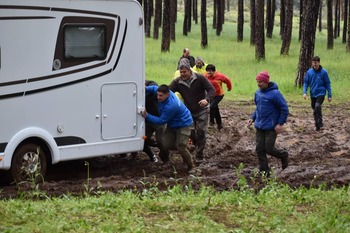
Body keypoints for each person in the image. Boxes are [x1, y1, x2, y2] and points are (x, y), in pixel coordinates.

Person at [169, 60, 215, 164]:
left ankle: (199, 155)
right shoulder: (177, 82)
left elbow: (211, 90)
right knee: (191, 132)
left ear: (190, 70)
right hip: (188, 111)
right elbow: (167, 91)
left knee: (201, 132)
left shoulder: (200, 78)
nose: (182, 74)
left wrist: (206, 99)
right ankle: (193, 146)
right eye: (181, 72)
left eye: (184, 72)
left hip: (202, 109)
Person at [142, 84, 195, 173]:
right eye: (158, 94)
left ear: (168, 94)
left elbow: (161, 121)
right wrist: (144, 88)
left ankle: (192, 167)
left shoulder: (171, 106)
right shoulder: (161, 91)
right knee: (165, 144)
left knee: (180, 146)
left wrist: (147, 115)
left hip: (184, 124)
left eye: (161, 96)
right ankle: (188, 147)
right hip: (172, 123)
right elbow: (153, 88)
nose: (158, 97)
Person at [248, 71, 289, 177]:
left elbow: (284, 108)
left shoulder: (275, 94)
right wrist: (253, 118)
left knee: (269, 149)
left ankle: (283, 155)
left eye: (260, 82)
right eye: (257, 81)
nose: (258, 84)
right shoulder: (258, 93)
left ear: (266, 82)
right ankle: (265, 171)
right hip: (259, 126)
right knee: (259, 149)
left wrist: (280, 124)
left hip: (271, 127)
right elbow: (258, 108)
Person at [303, 56, 332, 131]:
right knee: (315, 109)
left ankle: (319, 123)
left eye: (316, 63)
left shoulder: (324, 72)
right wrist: (304, 92)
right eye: (313, 63)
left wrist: (329, 95)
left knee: (317, 106)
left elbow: (328, 83)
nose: (315, 65)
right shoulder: (309, 72)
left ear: (319, 62)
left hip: (321, 93)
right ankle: (317, 124)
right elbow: (306, 83)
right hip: (313, 94)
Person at [143, 80, 166, 162]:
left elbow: (155, 91)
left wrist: (144, 91)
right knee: (142, 139)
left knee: (161, 142)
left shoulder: (152, 84)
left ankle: (165, 159)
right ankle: (152, 156)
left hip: (159, 122)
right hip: (148, 122)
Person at [204, 64, 232, 130]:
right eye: (207, 71)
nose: (209, 73)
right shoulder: (205, 76)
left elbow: (228, 80)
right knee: (215, 109)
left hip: (219, 94)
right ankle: (219, 124)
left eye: (210, 71)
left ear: (214, 71)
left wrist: (229, 88)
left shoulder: (220, 76)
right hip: (211, 95)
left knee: (212, 106)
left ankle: (211, 122)